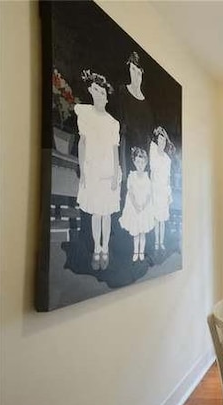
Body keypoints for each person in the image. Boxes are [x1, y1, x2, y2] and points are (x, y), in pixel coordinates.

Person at [74, 69, 121, 270]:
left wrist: (115, 174)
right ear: (91, 91)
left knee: (106, 213)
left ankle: (105, 248)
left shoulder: (113, 122)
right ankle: (96, 248)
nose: (100, 96)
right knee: (95, 213)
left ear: (107, 97)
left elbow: (114, 150)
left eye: (103, 93)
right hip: (92, 169)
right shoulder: (85, 114)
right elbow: (82, 143)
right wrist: (83, 171)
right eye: (96, 91)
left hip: (108, 170)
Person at [117, 51, 154, 181]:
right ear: (129, 70)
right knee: (126, 181)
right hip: (126, 145)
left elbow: (148, 131)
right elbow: (120, 121)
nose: (136, 75)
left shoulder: (147, 105)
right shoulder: (122, 91)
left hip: (143, 150)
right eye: (133, 69)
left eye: (139, 72)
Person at [119, 147, 154, 261]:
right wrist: (136, 206)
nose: (140, 165)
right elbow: (131, 193)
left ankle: (141, 252)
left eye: (142, 162)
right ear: (134, 162)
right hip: (134, 207)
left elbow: (149, 194)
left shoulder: (147, 177)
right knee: (136, 233)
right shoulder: (132, 176)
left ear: (146, 163)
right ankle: (135, 251)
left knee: (142, 232)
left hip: (144, 207)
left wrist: (143, 206)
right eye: (138, 162)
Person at [149, 126, 175, 251]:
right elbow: (152, 173)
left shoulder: (167, 159)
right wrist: (152, 191)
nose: (162, 143)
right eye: (160, 140)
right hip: (155, 189)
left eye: (164, 140)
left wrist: (169, 193)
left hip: (164, 190)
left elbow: (168, 178)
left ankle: (161, 242)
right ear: (156, 141)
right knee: (156, 218)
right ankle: (155, 242)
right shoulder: (153, 153)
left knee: (162, 219)